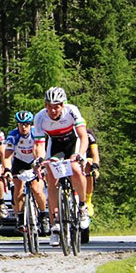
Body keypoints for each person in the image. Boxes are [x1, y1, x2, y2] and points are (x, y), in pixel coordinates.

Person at [33, 86, 91, 246]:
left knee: (75, 169)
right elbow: (39, 143)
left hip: (73, 144)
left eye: (57, 105)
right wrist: (39, 159)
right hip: (56, 147)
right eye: (50, 106)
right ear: (45, 105)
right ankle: (55, 224)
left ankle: (82, 207)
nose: (53, 110)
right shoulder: (39, 118)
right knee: (51, 179)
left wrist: (80, 154)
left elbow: (83, 136)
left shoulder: (72, 111)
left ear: (63, 104)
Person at [3, 110, 48, 232]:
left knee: (37, 190)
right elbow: (7, 156)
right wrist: (7, 170)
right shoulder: (13, 135)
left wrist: (39, 164)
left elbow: (40, 150)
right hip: (19, 163)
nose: (24, 127)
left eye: (27, 124)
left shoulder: (36, 132)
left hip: (34, 161)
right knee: (18, 190)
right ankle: (21, 217)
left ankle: (43, 215)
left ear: (30, 124)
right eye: (21, 124)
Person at [84, 128, 100, 218]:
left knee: (88, 165)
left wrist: (95, 166)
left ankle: (88, 200)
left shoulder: (89, 134)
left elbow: (95, 153)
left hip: (86, 159)